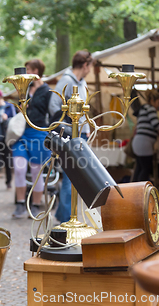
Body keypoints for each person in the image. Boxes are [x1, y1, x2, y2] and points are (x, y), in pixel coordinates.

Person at [48, 50, 94, 224]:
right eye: (90, 66)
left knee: (76, 176)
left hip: (81, 133)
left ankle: (63, 216)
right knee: (72, 177)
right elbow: (54, 106)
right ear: (85, 65)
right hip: (71, 134)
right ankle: (67, 219)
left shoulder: (82, 82)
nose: (90, 69)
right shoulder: (66, 81)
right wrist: (67, 129)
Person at [11, 59, 52, 219]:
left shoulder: (47, 90)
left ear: (35, 71)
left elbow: (52, 112)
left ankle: (35, 206)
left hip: (39, 134)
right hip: (22, 133)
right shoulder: (25, 88)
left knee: (36, 171)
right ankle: (20, 203)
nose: (25, 72)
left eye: (27, 69)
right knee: (19, 168)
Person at [131, 89, 159, 182]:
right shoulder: (150, 109)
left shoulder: (143, 109)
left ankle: (134, 189)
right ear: (152, 101)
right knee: (146, 168)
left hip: (138, 142)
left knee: (139, 168)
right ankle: (140, 191)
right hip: (144, 143)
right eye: (158, 103)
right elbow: (156, 124)